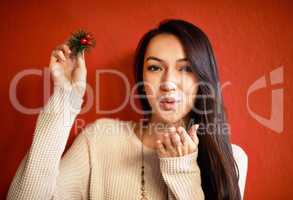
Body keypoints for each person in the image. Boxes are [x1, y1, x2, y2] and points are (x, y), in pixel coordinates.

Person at [7, 19, 248, 200]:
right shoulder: (100, 140)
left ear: (203, 78)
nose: (168, 82)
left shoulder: (230, 160)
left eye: (185, 69)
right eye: (155, 68)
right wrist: (65, 97)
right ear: (141, 78)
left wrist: (182, 169)